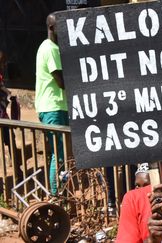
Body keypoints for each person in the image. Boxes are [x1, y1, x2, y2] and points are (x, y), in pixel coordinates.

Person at [35, 13, 68, 195]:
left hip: (54, 106)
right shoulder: (51, 49)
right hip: (53, 106)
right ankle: (56, 194)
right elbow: (61, 81)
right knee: (59, 152)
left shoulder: (48, 47)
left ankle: (59, 191)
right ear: (51, 28)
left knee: (60, 152)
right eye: (60, 26)